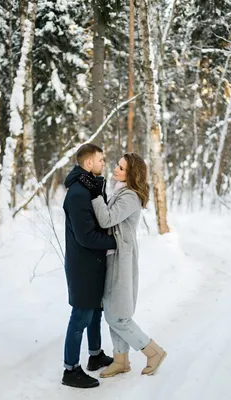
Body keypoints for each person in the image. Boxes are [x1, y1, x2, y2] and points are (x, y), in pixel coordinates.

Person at [80, 152, 166, 379]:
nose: (115, 169)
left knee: (117, 315)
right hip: (113, 255)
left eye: (121, 167)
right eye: (117, 165)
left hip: (122, 257)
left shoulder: (129, 196)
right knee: (112, 309)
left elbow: (107, 219)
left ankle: (153, 351)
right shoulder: (122, 191)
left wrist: (95, 194)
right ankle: (121, 360)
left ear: (131, 174)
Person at [62, 144, 117, 389]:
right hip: (82, 265)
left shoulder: (91, 187)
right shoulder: (77, 193)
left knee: (96, 311)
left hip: (93, 262)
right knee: (81, 315)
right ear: (87, 164)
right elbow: (86, 236)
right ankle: (70, 370)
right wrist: (116, 241)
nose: (104, 163)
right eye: (100, 160)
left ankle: (95, 355)